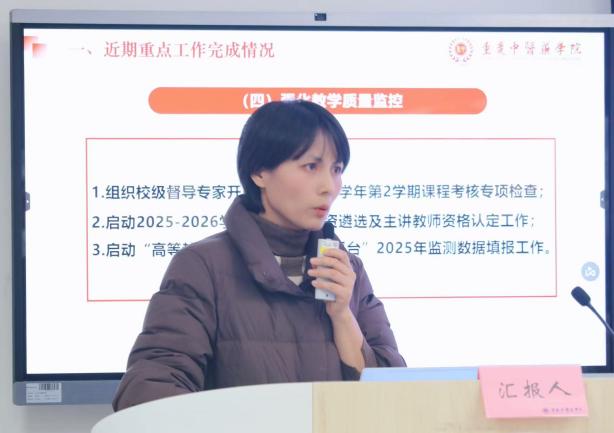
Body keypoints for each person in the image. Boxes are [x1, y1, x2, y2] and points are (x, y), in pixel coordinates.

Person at [112, 100, 405, 411]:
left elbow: (396, 399)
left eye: (337, 170)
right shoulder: (203, 266)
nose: (329, 187)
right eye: (311, 166)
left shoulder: (347, 270)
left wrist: (343, 315)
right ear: (259, 172)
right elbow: (151, 384)